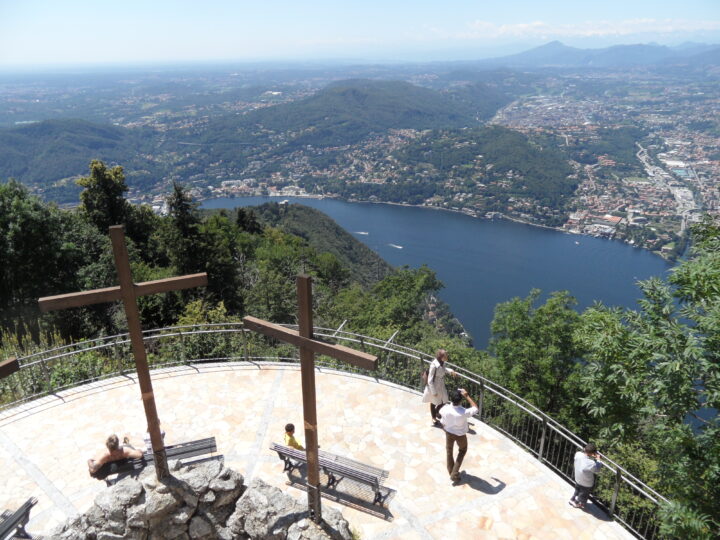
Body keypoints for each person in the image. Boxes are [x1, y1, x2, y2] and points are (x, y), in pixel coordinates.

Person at [439, 388, 478, 484]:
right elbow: (476, 408)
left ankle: (451, 470)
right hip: (460, 435)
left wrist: (445, 427)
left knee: (449, 451)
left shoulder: (444, 409)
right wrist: (467, 396)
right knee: (462, 450)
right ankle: (454, 473)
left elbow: (442, 420)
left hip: (449, 432)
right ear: (461, 400)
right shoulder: (464, 412)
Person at [422, 349, 457, 426]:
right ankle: (434, 418)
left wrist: (451, 371)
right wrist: (434, 392)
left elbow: (444, 370)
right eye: (445, 355)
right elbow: (430, 380)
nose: (447, 357)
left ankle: (437, 411)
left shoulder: (442, 363)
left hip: (441, 384)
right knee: (434, 402)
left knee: (444, 400)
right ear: (441, 356)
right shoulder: (433, 365)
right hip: (434, 386)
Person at [569, 443, 603, 508]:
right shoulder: (590, 463)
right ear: (592, 453)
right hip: (586, 482)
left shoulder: (578, 454)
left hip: (578, 478)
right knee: (583, 494)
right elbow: (597, 470)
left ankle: (572, 499)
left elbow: (584, 455)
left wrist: (590, 454)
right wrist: (598, 459)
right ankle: (577, 503)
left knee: (577, 490)